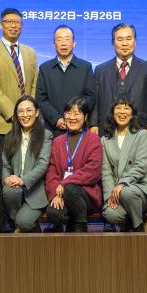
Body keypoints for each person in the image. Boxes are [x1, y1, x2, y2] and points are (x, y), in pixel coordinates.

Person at [44, 97, 103, 232]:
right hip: (61, 192)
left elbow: (92, 172)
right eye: (68, 113)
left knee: (70, 189)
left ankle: (80, 228)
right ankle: (70, 229)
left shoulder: (93, 139)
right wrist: (56, 194)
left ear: (85, 117)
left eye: (77, 113)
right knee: (53, 212)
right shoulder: (57, 141)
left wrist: (64, 183)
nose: (72, 117)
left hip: (86, 195)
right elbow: (51, 172)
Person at [100, 97, 147, 232]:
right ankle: (134, 216)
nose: (122, 112)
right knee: (111, 214)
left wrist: (122, 184)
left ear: (132, 114)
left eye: (126, 108)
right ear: (113, 113)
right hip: (116, 193)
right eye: (118, 108)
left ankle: (138, 227)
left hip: (140, 187)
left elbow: (141, 166)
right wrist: (109, 197)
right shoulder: (105, 140)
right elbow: (106, 172)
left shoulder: (142, 135)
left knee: (127, 192)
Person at [0, 8, 38, 143]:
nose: (13, 26)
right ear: (0, 25)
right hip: (0, 123)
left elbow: (34, 84)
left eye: (17, 22)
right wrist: (14, 114)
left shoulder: (30, 52)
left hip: (27, 122)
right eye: (9, 22)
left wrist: (28, 111)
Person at [93, 23, 147, 131]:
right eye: (119, 39)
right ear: (113, 43)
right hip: (106, 129)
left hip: (139, 128)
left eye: (128, 39)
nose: (124, 43)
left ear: (135, 41)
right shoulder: (100, 70)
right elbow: (95, 101)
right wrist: (93, 124)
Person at [2, 95, 52, 232]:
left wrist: (22, 180)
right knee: (9, 191)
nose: (25, 115)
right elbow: (5, 165)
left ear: (36, 112)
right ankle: (17, 223)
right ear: (16, 115)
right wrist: (7, 180)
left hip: (35, 192)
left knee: (24, 223)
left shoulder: (46, 135)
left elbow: (42, 164)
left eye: (29, 110)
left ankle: (19, 226)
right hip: (14, 191)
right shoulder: (9, 136)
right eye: (20, 111)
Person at [35, 25, 95, 132]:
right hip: (52, 129)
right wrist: (56, 119)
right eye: (59, 40)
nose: (63, 43)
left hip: (79, 128)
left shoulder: (85, 67)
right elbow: (41, 99)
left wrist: (75, 116)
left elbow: (90, 96)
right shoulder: (45, 68)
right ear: (54, 45)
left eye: (67, 39)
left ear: (74, 43)